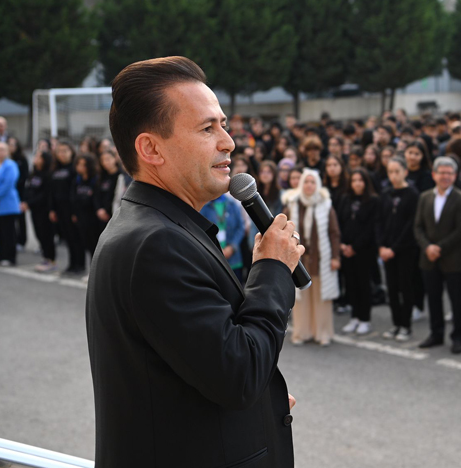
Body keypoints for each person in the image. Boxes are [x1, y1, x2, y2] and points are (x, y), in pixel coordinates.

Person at [86, 56, 303, 468]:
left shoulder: (158, 226)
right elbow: (238, 375)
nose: (229, 142)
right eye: (208, 128)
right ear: (150, 148)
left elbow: (193, 368)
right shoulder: (155, 244)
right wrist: (273, 271)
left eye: (223, 124)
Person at [414, 156, 461, 354]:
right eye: (442, 173)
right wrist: (427, 247)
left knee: (456, 301)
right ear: (434, 175)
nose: (445, 176)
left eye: (449, 173)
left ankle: (458, 337)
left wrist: (439, 248)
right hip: (428, 258)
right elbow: (418, 227)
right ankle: (436, 333)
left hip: (453, 258)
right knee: (434, 298)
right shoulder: (425, 197)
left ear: (455, 176)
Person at [284, 168, 341, 346]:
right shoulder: (292, 203)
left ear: (317, 185)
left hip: (320, 258)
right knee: (301, 297)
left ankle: (322, 333)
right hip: (300, 258)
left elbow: (334, 233)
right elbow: (284, 230)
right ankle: (302, 333)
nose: (309, 185)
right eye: (306, 182)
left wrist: (335, 256)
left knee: (321, 297)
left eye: (312, 182)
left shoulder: (326, 204)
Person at [379, 158, 421, 341]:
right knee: (392, 288)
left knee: (406, 287)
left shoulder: (413, 194)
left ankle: (406, 325)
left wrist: (394, 248)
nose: (393, 176)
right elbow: (379, 222)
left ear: (405, 171)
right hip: (387, 250)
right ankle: (396, 323)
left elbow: (411, 225)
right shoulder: (386, 193)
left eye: (397, 171)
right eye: (390, 172)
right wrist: (381, 246)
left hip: (405, 249)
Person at [338, 169, 380, 335]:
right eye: (354, 180)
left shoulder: (373, 201)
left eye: (360, 180)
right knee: (351, 284)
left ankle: (365, 319)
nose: (357, 183)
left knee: (364, 285)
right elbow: (340, 221)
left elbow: (371, 228)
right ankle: (354, 317)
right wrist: (343, 245)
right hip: (346, 249)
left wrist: (355, 247)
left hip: (364, 251)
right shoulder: (345, 199)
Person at [49, 141, 86, 274]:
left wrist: (75, 211)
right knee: (68, 237)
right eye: (59, 151)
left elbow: (75, 191)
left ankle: (79, 264)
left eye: (65, 151)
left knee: (76, 237)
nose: (62, 154)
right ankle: (72, 264)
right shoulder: (55, 169)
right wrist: (52, 209)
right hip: (60, 209)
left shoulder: (74, 170)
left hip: (72, 209)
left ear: (71, 152)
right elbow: (52, 191)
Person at [23, 151, 57, 272]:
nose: (35, 158)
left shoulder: (48, 175)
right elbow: (28, 188)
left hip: (44, 210)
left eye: (38, 157)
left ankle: (51, 260)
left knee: (46, 235)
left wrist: (30, 202)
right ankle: (45, 257)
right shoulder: (33, 173)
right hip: (34, 210)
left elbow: (45, 194)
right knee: (38, 234)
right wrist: (26, 201)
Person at [200, 191, 246, 281]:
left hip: (234, 259)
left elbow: (240, 228)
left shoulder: (232, 204)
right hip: (214, 258)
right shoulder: (204, 206)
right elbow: (201, 230)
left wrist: (232, 247)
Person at [71, 153, 100, 262]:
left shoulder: (95, 180)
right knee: (86, 243)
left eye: (84, 165)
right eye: (79, 164)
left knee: (94, 244)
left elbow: (94, 199)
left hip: (92, 217)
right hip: (81, 216)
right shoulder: (77, 180)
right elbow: (74, 198)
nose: (80, 167)